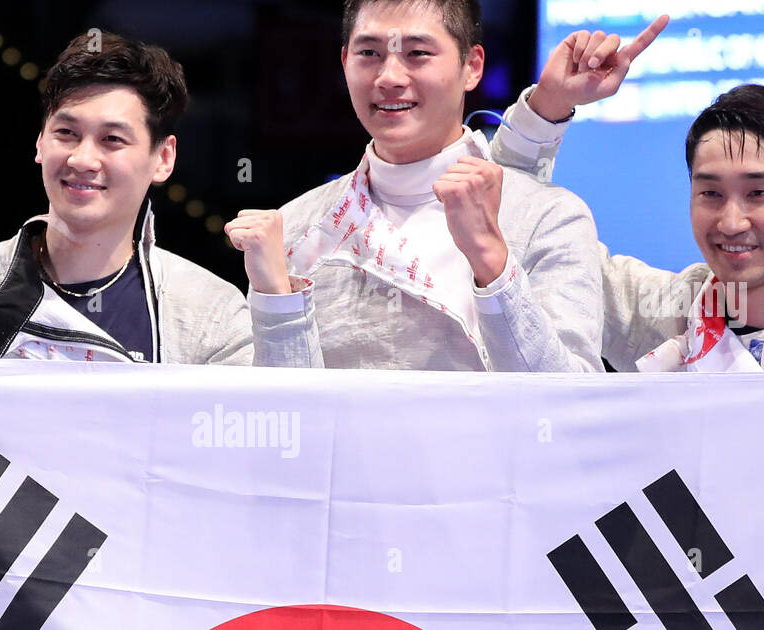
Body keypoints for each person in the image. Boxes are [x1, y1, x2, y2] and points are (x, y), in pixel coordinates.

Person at [0, 32, 320, 368]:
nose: (82, 159)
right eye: (66, 133)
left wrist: (276, 299)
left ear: (163, 158)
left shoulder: (210, 316)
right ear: (40, 142)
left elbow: (288, 448)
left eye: (112, 139)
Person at [491, 20, 764, 371]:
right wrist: (549, 105)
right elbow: (518, 219)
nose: (732, 222)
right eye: (711, 193)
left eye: (758, 192)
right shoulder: (660, 312)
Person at [224, 0, 605, 372]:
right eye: (369, 53)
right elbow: (286, 421)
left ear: (471, 66)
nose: (389, 77)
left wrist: (492, 260)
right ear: (345, 63)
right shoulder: (296, 227)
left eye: (418, 53)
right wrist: (277, 303)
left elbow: (570, 405)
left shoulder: (549, 217)